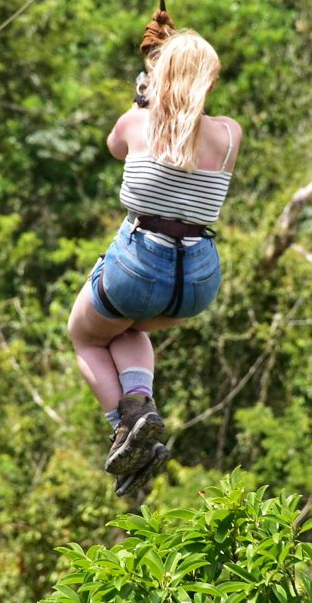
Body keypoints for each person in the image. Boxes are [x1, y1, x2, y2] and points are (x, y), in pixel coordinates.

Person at [67, 27, 242, 496]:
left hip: (139, 266)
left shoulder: (136, 123)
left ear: (158, 76)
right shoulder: (228, 135)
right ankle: (139, 400)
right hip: (198, 280)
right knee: (129, 329)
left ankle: (126, 427)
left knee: (84, 336)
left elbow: (114, 147)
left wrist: (143, 95)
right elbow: (188, 127)